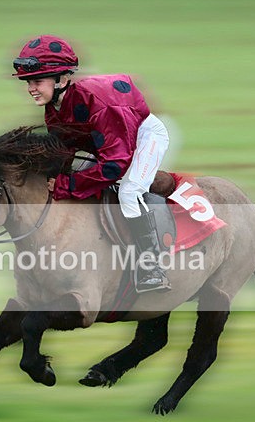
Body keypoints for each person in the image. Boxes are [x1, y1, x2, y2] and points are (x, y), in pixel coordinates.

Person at [12, 34, 171, 292]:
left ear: (62, 79)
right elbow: (63, 152)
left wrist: (65, 185)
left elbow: (113, 165)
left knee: (129, 191)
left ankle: (152, 267)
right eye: (28, 81)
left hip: (144, 137)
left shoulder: (98, 104)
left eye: (37, 81)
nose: (30, 88)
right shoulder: (55, 106)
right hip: (107, 141)